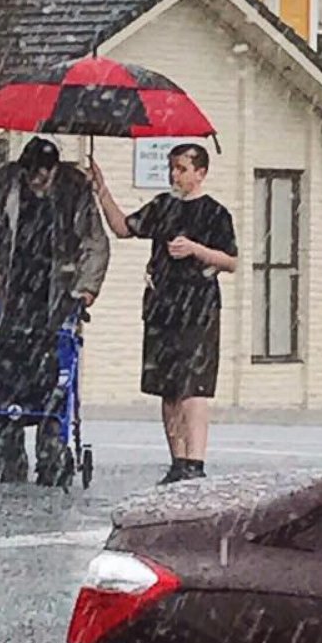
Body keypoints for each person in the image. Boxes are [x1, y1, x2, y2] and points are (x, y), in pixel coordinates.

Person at [90, 143, 237, 484]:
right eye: (172, 168)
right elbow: (123, 228)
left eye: (183, 169)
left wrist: (197, 250)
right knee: (167, 388)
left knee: (195, 386)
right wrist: (102, 189)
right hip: (162, 306)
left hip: (199, 307)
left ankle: (195, 463)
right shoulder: (162, 206)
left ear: (200, 173)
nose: (175, 175)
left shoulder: (215, 213)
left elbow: (231, 261)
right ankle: (177, 460)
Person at [0, 136, 109, 483]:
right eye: (32, 177)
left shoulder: (76, 191)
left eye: (43, 177)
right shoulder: (1, 185)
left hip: (57, 293)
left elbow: (95, 243)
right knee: (2, 372)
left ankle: (51, 449)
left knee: (54, 371)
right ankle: (9, 452)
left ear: (54, 171)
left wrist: (86, 289)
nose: (38, 184)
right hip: (10, 293)